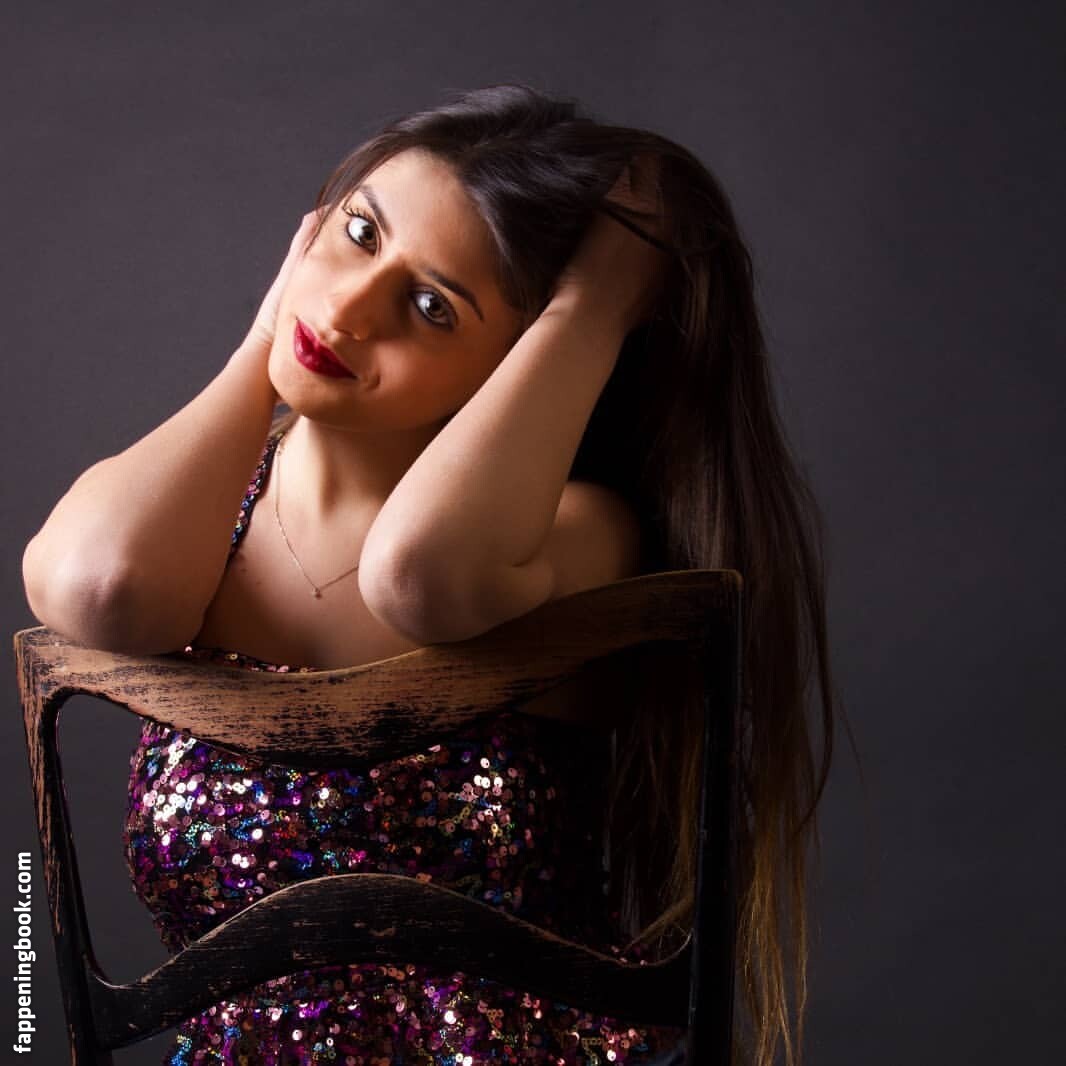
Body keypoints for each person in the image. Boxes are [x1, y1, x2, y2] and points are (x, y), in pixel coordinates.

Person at [22, 84, 840, 1066]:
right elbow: (97, 585)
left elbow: (421, 575)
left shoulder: (573, 536)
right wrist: (265, 336)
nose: (347, 308)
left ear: (527, 362)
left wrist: (593, 305)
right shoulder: (194, 530)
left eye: (430, 307)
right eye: (360, 232)